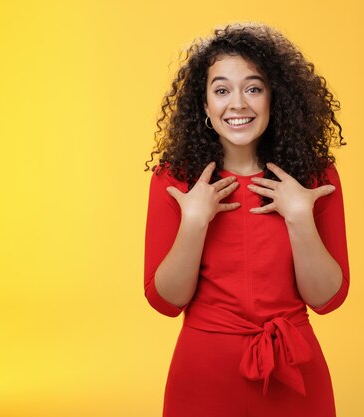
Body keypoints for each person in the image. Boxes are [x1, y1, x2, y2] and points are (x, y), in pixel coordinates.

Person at [144, 22, 350, 417]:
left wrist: (300, 217)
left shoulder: (315, 178)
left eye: (253, 88)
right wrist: (193, 222)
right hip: (203, 377)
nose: (237, 103)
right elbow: (166, 302)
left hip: (295, 376)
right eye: (221, 90)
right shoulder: (174, 179)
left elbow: (327, 299)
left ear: (275, 98)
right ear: (204, 105)